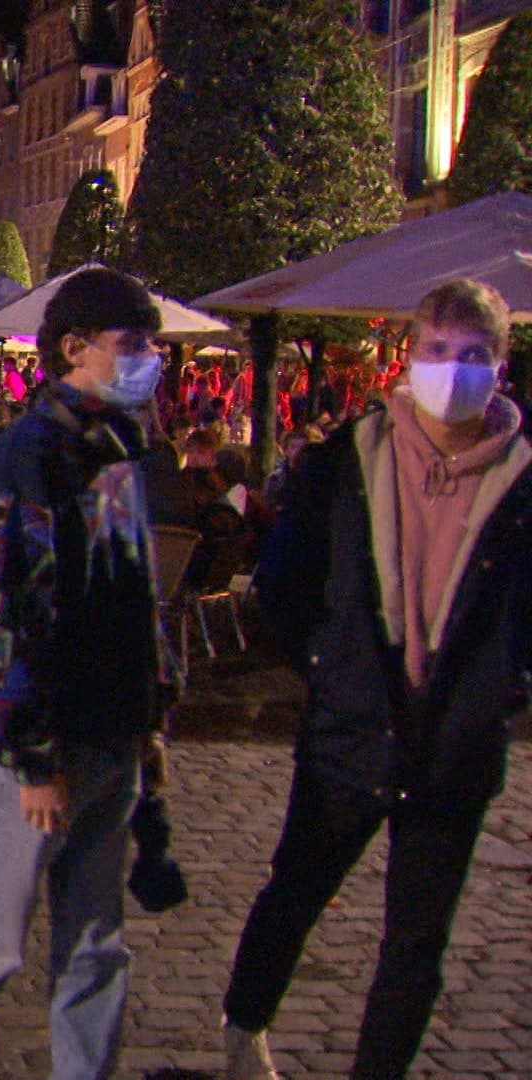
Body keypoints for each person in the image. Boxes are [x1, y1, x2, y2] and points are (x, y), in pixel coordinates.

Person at [220, 280, 532, 1080]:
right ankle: (244, 1024)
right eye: (437, 353)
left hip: (453, 750)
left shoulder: (524, 484)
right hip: (350, 735)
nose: (452, 371)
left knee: (416, 946)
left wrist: (503, 688)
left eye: (472, 357)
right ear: (410, 355)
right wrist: (330, 671)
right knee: (296, 891)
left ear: (499, 366)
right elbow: (284, 585)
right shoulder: (347, 463)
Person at [0, 268, 170, 1080]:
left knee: (96, 937)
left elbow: (131, 588)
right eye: (133, 345)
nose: (150, 358)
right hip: (48, 738)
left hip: (112, 728)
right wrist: (28, 750)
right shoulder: (26, 456)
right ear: (73, 349)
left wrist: (151, 710)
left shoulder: (117, 444)